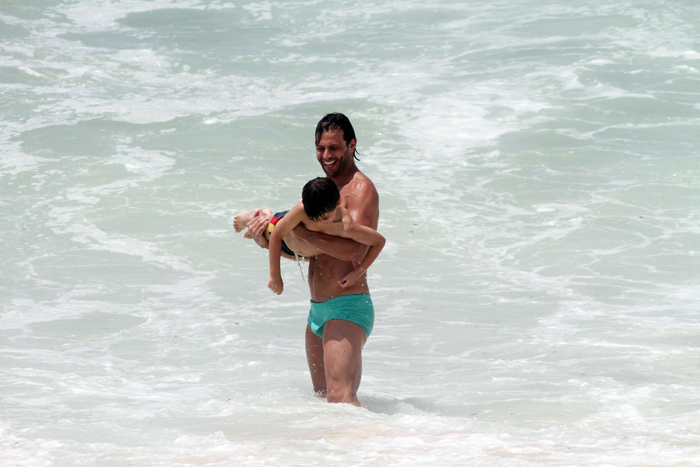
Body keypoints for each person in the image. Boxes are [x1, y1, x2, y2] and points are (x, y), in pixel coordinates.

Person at [236, 113, 380, 406]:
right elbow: (316, 251)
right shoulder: (324, 192)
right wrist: (270, 238)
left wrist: (293, 229)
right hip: (318, 311)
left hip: (346, 306)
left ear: (352, 145)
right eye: (320, 148)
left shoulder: (359, 190)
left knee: (341, 400)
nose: (326, 156)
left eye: (334, 148)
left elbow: (355, 252)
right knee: (322, 403)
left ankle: (378, 449)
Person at [234, 177, 385, 296]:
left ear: (338, 202)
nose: (317, 221)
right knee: (267, 233)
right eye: (312, 217)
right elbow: (277, 236)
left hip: (295, 249)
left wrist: (358, 273)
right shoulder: (302, 210)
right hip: (284, 232)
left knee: (266, 238)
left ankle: (264, 214)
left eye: (323, 218)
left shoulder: (346, 226)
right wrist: (275, 276)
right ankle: (256, 216)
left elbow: (379, 242)